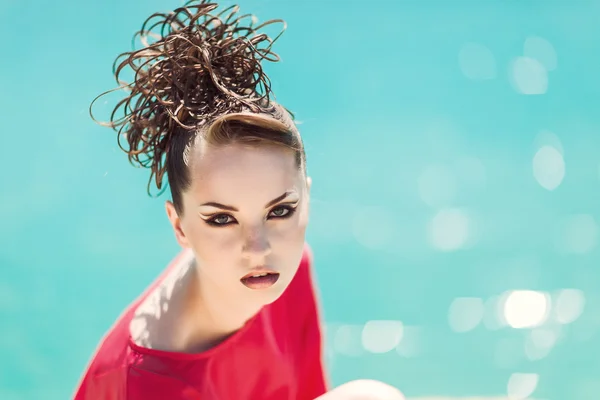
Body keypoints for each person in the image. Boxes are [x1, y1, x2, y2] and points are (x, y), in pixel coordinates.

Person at [74, 1, 405, 399]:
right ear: (179, 227)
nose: (258, 248)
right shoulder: (139, 384)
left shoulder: (291, 268)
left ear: (308, 200)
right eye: (221, 219)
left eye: (280, 211)